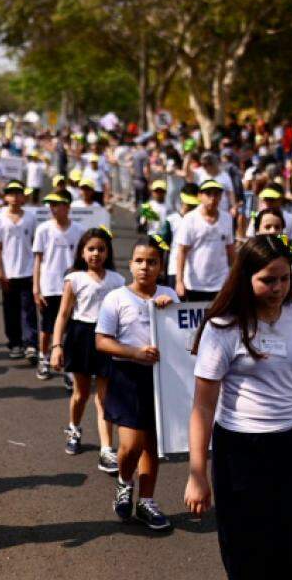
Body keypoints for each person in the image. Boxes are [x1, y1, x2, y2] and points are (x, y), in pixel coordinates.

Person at [185, 235, 292, 580]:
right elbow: (203, 407)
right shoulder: (224, 327)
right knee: (248, 553)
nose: (278, 288)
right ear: (245, 277)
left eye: (284, 278)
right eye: (267, 280)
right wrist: (197, 475)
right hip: (242, 451)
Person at [95, 236, 178, 531]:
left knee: (153, 444)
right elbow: (102, 341)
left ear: (160, 266)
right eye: (140, 261)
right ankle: (123, 481)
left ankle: (147, 501)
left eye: (152, 262)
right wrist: (134, 352)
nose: (145, 267)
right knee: (130, 446)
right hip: (128, 376)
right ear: (130, 265)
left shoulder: (169, 294)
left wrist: (170, 310)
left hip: (161, 378)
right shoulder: (116, 298)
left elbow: (185, 335)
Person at [50, 228, 124, 474]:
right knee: (81, 394)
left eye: (101, 249)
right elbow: (63, 315)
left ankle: (106, 449)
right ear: (82, 252)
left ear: (108, 252)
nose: (96, 254)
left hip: (107, 338)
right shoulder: (75, 279)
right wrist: (56, 346)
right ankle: (74, 427)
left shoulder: (117, 280)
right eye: (91, 249)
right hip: (81, 337)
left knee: (104, 397)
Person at [33, 190, 83, 377]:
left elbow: (81, 261)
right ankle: (43, 358)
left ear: (67, 206)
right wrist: (36, 288)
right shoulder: (43, 229)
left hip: (71, 287)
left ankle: (68, 365)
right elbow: (38, 260)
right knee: (47, 328)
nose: (52, 208)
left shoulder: (79, 230)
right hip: (49, 287)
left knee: (70, 329)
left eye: (56, 204)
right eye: (50, 205)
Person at [0, 181, 37, 363]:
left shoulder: (31, 217)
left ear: (23, 196)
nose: (15, 197)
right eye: (11, 193)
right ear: (6, 197)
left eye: (19, 193)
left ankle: (31, 343)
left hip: (27, 270)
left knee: (29, 309)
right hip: (9, 271)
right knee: (11, 310)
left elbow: (35, 244)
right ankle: (15, 342)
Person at [174, 179, 236, 302]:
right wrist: (179, 281)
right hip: (195, 283)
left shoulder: (227, 218)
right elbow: (182, 251)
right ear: (200, 196)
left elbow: (230, 250)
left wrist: (234, 278)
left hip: (220, 282)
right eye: (208, 194)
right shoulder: (189, 219)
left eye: (216, 194)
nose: (213, 198)